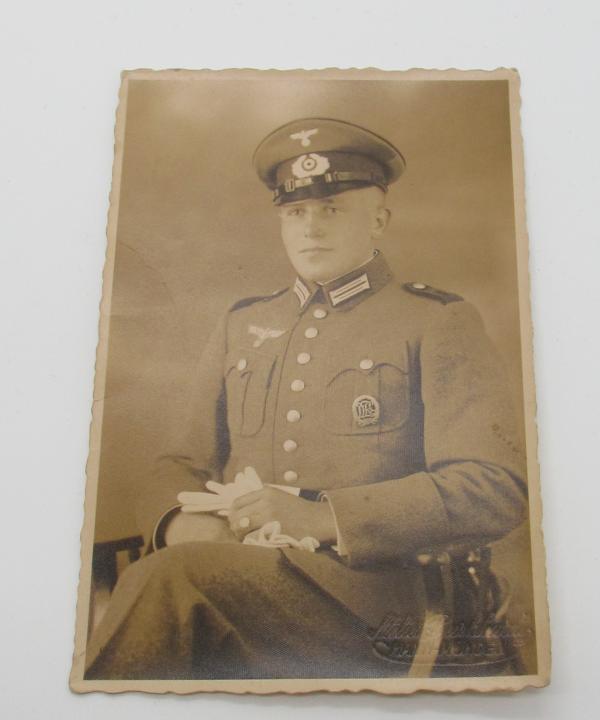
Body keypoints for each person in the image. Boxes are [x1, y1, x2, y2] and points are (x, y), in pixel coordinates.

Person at [84, 118, 528, 680]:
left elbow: (494, 490)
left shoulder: (436, 321)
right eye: (296, 212)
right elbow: (177, 463)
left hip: (378, 600)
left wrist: (323, 518)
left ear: (379, 221)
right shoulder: (244, 323)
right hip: (240, 573)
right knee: (172, 575)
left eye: (333, 208)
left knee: (167, 583)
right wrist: (179, 524)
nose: (311, 228)